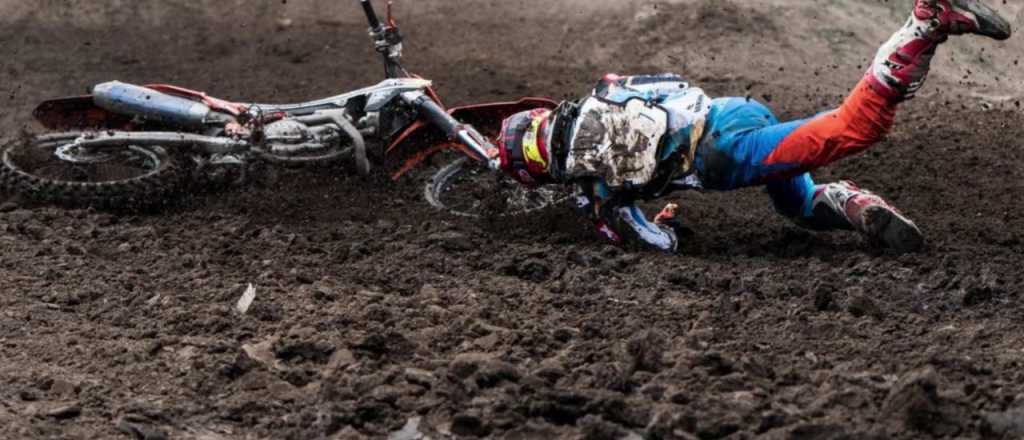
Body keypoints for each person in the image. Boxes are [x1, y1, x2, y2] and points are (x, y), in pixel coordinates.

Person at [494, 0, 1011, 253]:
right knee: (798, 205)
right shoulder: (605, 90)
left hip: (725, 159)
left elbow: (657, 245)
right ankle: (850, 204)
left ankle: (924, 23)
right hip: (732, 112)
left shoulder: (597, 194)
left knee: (857, 127)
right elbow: (674, 83)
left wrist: (668, 219)